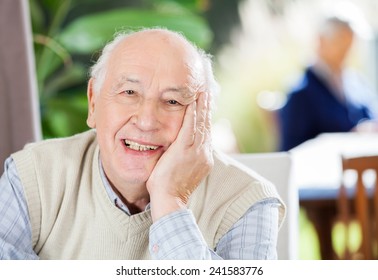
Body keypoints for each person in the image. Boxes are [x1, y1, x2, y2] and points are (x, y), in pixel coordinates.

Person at [0, 28, 285, 260]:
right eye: (129, 92)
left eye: (173, 101)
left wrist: (170, 201)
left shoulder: (247, 201)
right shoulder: (31, 177)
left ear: (203, 118)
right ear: (93, 102)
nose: (147, 120)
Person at [278, 16, 378, 151]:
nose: (347, 49)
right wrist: (351, 139)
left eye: (351, 42)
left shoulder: (357, 82)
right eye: (341, 41)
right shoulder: (301, 93)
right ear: (321, 41)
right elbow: (291, 152)